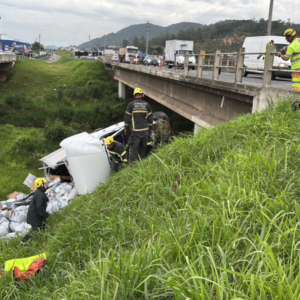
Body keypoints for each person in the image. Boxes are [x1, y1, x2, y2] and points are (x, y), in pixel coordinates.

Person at [124, 87, 153, 163]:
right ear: (142, 95)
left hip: (135, 131)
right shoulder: (147, 105)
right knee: (142, 149)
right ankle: (141, 164)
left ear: (134, 95)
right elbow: (150, 119)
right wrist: (151, 129)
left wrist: (126, 129)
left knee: (133, 149)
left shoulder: (131, 105)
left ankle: (133, 166)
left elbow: (127, 118)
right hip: (145, 131)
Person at [21, 178, 49, 244]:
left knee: (41, 229)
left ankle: (42, 242)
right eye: (45, 183)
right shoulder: (40, 194)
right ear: (41, 185)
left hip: (35, 216)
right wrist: (46, 216)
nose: (47, 184)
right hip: (35, 217)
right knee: (35, 230)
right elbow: (40, 208)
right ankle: (23, 242)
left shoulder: (39, 193)